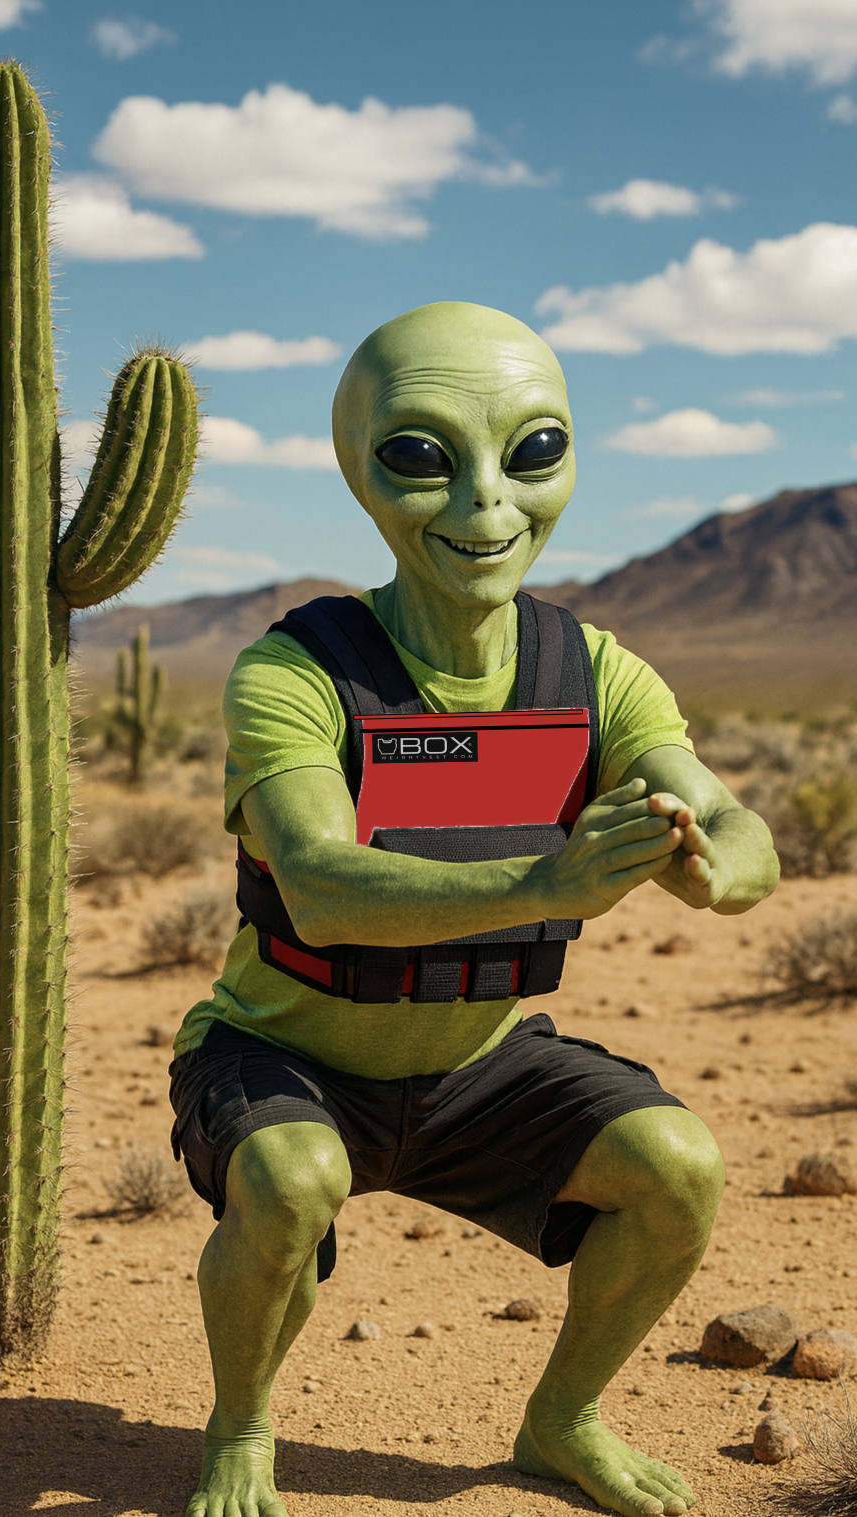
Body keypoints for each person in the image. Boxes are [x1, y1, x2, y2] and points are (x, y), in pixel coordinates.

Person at [169, 302, 779, 1517]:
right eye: (421, 458)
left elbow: (736, 826)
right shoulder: (299, 670)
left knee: (676, 1166)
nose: (485, 507)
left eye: (532, 452)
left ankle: (559, 1420)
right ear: (360, 473)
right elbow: (319, 884)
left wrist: (708, 860)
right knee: (288, 1184)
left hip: (478, 1064)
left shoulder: (591, 670)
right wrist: (547, 883)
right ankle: (240, 1426)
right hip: (286, 1050)